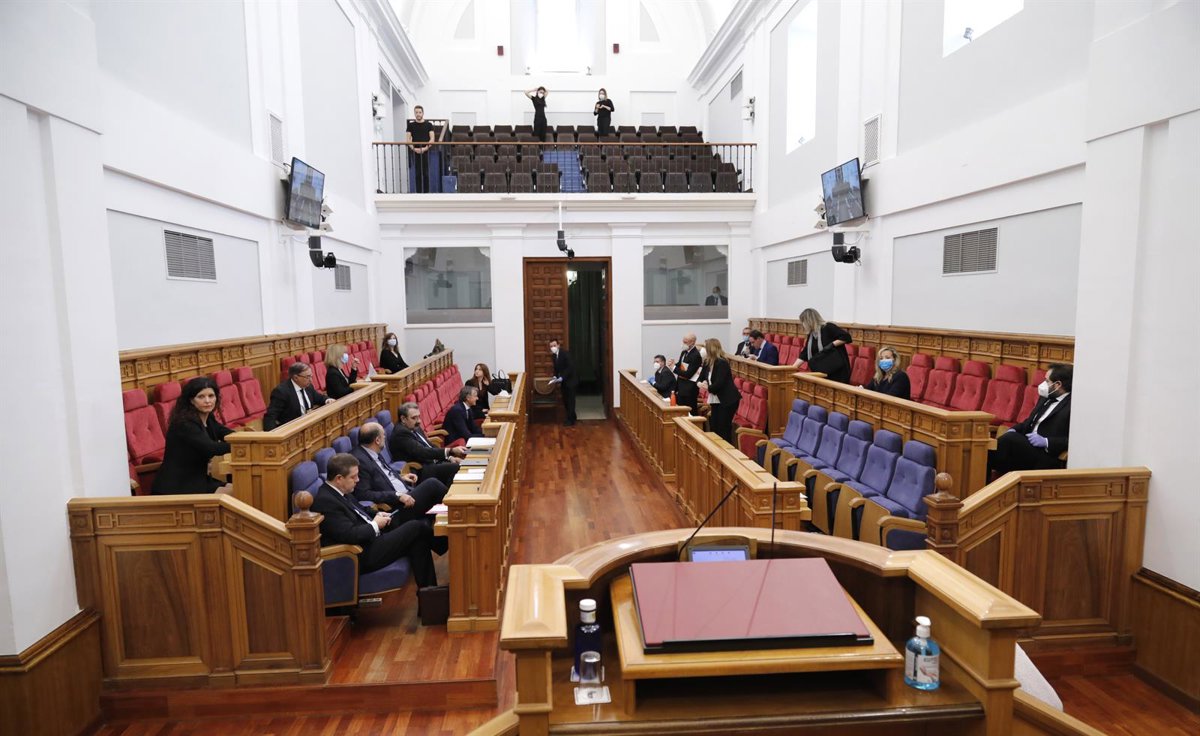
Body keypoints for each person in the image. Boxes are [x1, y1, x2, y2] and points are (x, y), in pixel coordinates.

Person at [311, 453, 437, 587]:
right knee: (415, 527)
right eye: (353, 477)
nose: (358, 480)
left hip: (371, 540)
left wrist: (379, 514)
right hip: (360, 554)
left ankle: (429, 594)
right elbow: (350, 535)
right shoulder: (325, 502)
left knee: (418, 541)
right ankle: (443, 542)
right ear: (339, 478)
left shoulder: (340, 490)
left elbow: (361, 510)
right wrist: (375, 525)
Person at [350, 423, 449, 555]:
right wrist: (397, 495)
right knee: (432, 485)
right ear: (377, 440)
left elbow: (383, 475)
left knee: (433, 489)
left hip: (406, 493)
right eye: (384, 435)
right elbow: (363, 494)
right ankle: (455, 530)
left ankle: (449, 536)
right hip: (396, 508)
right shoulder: (359, 460)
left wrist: (401, 477)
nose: (385, 437)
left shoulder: (371, 451)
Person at [988, 364, 1073, 478]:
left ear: (1058, 385)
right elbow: (1030, 421)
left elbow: (1074, 440)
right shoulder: (1045, 397)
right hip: (1026, 448)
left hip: (1046, 455)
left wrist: (1046, 441)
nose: (1043, 384)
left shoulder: (1072, 405)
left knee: (1008, 440)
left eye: (1047, 381)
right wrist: (1014, 429)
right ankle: (982, 482)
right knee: (989, 451)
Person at [152, 377, 234, 494]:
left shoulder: (208, 418)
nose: (207, 401)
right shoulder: (184, 423)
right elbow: (210, 448)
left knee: (241, 489)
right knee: (236, 493)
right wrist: (238, 445)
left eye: (211, 396)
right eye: (201, 397)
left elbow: (225, 433)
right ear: (191, 400)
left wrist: (244, 439)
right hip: (178, 485)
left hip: (197, 478)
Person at [389, 402, 469, 487]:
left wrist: (449, 458)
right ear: (403, 419)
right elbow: (422, 452)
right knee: (456, 468)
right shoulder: (401, 433)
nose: (419, 421)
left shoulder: (413, 426)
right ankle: (448, 494)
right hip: (421, 470)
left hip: (431, 462)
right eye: (414, 418)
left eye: (419, 417)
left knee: (462, 464)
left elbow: (429, 445)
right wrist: (450, 451)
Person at [263, 362, 332, 430]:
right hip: (292, 429)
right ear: (296, 378)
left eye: (311, 376)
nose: (311, 380)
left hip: (309, 426)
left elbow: (319, 398)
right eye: (307, 377)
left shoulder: (308, 386)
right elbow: (271, 415)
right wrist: (273, 435)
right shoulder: (281, 392)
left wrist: (328, 400)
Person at [794, 308, 854, 383]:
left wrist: (832, 345)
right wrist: (793, 367)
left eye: (803, 321)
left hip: (837, 371)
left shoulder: (828, 327)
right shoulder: (812, 334)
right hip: (824, 370)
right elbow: (805, 353)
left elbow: (847, 337)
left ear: (809, 321)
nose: (802, 324)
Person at [697, 339, 740, 443]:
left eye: (705, 347)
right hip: (716, 398)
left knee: (723, 427)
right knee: (714, 425)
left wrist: (707, 387)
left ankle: (726, 450)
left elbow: (719, 384)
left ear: (711, 349)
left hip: (727, 399)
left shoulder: (722, 363)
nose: (703, 350)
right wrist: (699, 383)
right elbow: (700, 378)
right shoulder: (707, 362)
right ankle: (716, 448)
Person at [406, 105, 443, 194]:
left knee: (426, 173)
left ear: (423, 113)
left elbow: (432, 139)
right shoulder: (410, 125)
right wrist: (414, 149)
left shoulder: (428, 125)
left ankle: (426, 193)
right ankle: (418, 193)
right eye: (416, 112)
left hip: (426, 151)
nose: (418, 114)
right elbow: (408, 139)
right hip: (415, 151)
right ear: (414, 113)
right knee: (417, 173)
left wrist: (425, 148)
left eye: (420, 112)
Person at [668, 333, 702, 413]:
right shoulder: (684, 352)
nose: (683, 344)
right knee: (681, 411)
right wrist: (673, 364)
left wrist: (674, 367)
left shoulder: (696, 355)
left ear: (692, 342)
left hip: (689, 390)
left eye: (685, 342)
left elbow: (688, 374)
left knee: (690, 413)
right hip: (681, 387)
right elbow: (680, 365)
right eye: (683, 341)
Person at [548, 338, 578, 426]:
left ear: (558, 345)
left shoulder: (565, 354)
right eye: (551, 346)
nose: (553, 348)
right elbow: (556, 368)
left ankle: (570, 420)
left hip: (571, 381)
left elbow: (570, 367)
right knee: (565, 400)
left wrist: (562, 377)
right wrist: (555, 376)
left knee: (570, 400)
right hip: (564, 382)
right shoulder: (554, 356)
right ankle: (572, 416)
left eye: (554, 345)